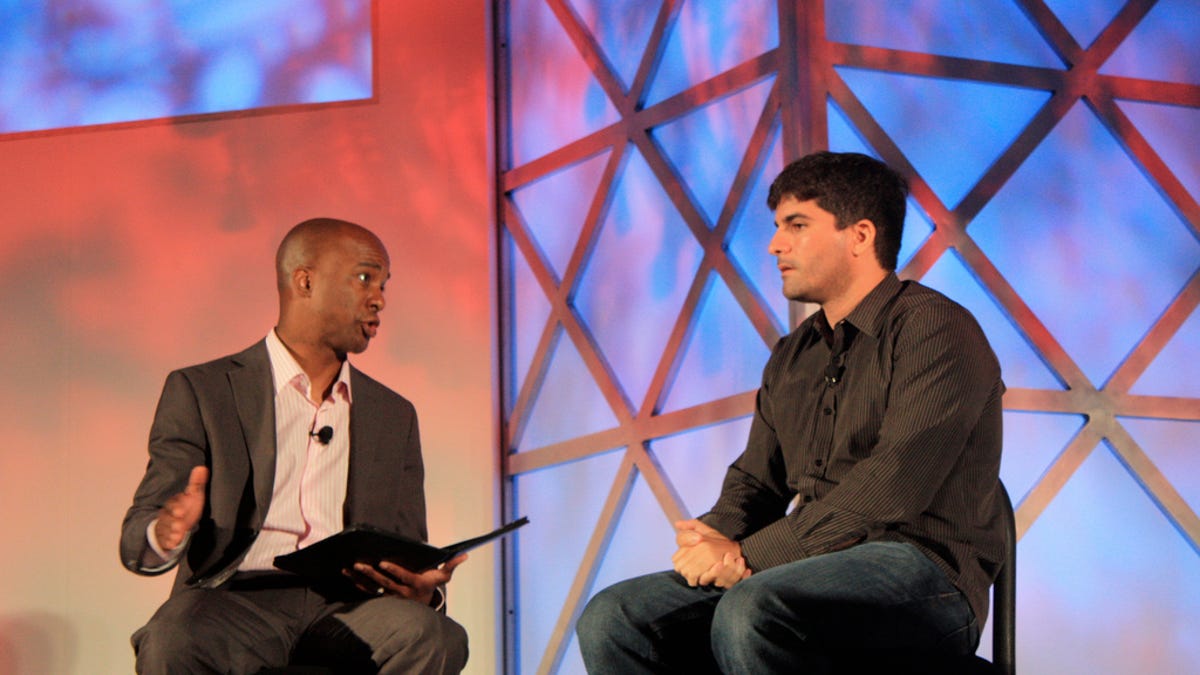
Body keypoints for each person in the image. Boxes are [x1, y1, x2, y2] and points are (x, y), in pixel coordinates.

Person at [576, 152, 1006, 673]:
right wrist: (713, 542)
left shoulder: (935, 329)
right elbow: (757, 482)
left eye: (797, 225)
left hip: (925, 576)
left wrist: (753, 557)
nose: (775, 244)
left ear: (861, 235)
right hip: (808, 568)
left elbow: (891, 484)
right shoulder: (793, 353)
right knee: (615, 616)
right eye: (778, 226)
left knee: (754, 608)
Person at [120, 218, 469, 674]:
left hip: (348, 611)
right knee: (174, 634)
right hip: (232, 604)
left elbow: (406, 543)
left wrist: (421, 587)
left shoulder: (393, 414)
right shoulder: (203, 391)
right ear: (304, 281)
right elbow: (139, 533)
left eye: (384, 284)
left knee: (433, 636)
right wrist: (165, 532)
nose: (379, 299)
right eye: (365, 277)